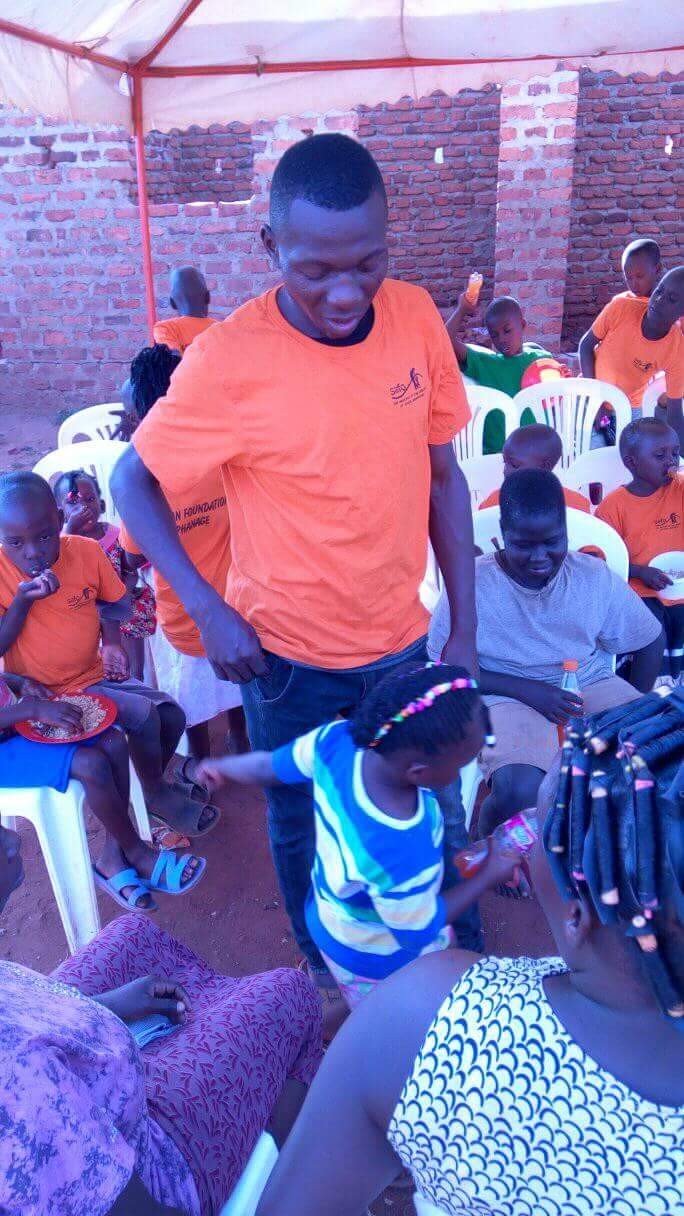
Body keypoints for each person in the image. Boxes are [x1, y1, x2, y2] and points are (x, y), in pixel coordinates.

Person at [111, 133, 477, 993]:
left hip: (403, 641)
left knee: (430, 802)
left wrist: (464, 625)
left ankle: (452, 963)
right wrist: (208, 607)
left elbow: (444, 477)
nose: (346, 292)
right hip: (286, 662)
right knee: (299, 814)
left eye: (368, 263)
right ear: (270, 246)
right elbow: (132, 481)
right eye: (315, 270)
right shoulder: (229, 360)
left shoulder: (417, 319)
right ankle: (324, 971)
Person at [255, 692, 684, 1216]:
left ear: (577, 918)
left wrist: (484, 870)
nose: (528, 826)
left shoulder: (425, 1011)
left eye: (545, 825)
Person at [0, 826, 323, 1215]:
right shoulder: (20, 1083)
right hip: (151, 1169)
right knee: (292, 995)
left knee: (132, 934)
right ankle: (283, 1176)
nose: (12, 840)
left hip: (71, 1079)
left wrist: (103, 1007)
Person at [199, 664, 516, 1009]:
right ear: (418, 771)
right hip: (379, 959)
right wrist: (488, 874)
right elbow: (417, 931)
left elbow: (268, 766)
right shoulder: (404, 844)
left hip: (330, 917)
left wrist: (223, 767)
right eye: (461, 764)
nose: (462, 772)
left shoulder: (337, 741)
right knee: (388, 1016)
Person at [429, 469, 664, 835]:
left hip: (588, 681)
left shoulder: (591, 576)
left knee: (654, 754)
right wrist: (530, 691)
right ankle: (494, 837)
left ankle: (614, 848)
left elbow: (650, 640)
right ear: (503, 534)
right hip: (504, 693)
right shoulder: (472, 583)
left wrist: (635, 704)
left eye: (552, 541)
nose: (539, 557)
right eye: (523, 545)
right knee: (521, 790)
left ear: (565, 531)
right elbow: (448, 669)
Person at [0, 472, 213, 842]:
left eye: (44, 536)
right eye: (15, 542)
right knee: (144, 716)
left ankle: (147, 785)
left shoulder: (85, 552)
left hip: (92, 672)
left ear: (58, 519)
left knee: (172, 715)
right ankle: (155, 794)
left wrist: (111, 643)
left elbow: (114, 603)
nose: (32, 552)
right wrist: (21, 602)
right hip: (48, 693)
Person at [119, 343, 249, 764]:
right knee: (238, 685)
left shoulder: (142, 487)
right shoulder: (226, 462)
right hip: (238, 613)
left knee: (192, 704)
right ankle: (240, 740)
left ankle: (199, 762)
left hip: (183, 621)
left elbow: (132, 557)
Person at [0, 671, 202, 906]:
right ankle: (137, 853)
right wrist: (31, 710)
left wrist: (19, 683)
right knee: (91, 764)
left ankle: (112, 858)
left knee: (113, 742)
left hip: (15, 725)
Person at [597, 418, 683, 681]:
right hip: (640, 591)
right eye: (660, 455)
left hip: (679, 586)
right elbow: (602, 560)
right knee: (651, 630)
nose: (671, 461)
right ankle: (647, 692)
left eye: (676, 453)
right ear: (632, 462)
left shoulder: (679, 489)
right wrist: (640, 572)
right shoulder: (614, 506)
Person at [53, 469, 156, 680]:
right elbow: (57, 570)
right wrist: (70, 531)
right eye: (73, 502)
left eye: (90, 499)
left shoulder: (115, 534)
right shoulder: (61, 543)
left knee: (130, 621)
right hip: (81, 607)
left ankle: (136, 677)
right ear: (60, 513)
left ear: (101, 504)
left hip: (120, 602)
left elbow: (132, 569)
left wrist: (120, 596)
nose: (83, 507)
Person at [579, 266, 684, 431]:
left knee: (634, 445)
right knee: (591, 443)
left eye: (671, 299)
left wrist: (677, 447)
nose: (659, 299)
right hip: (591, 395)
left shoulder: (677, 349)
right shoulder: (621, 308)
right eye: (659, 290)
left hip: (630, 406)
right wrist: (596, 401)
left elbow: (675, 412)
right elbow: (585, 346)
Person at [446, 291, 549, 453]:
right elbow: (444, 340)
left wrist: (564, 378)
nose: (501, 339)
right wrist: (462, 309)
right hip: (494, 457)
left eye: (507, 330)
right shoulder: (485, 363)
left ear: (522, 325)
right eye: (494, 335)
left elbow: (554, 397)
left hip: (535, 452)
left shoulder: (540, 359)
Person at [478, 423, 591, 512]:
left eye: (515, 465)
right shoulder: (494, 502)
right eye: (505, 462)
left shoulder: (576, 506)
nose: (505, 471)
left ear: (544, 467)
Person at [153, 266, 216, 355]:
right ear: (208, 297)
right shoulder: (222, 329)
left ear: (172, 303)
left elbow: (172, 361)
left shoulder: (166, 329)